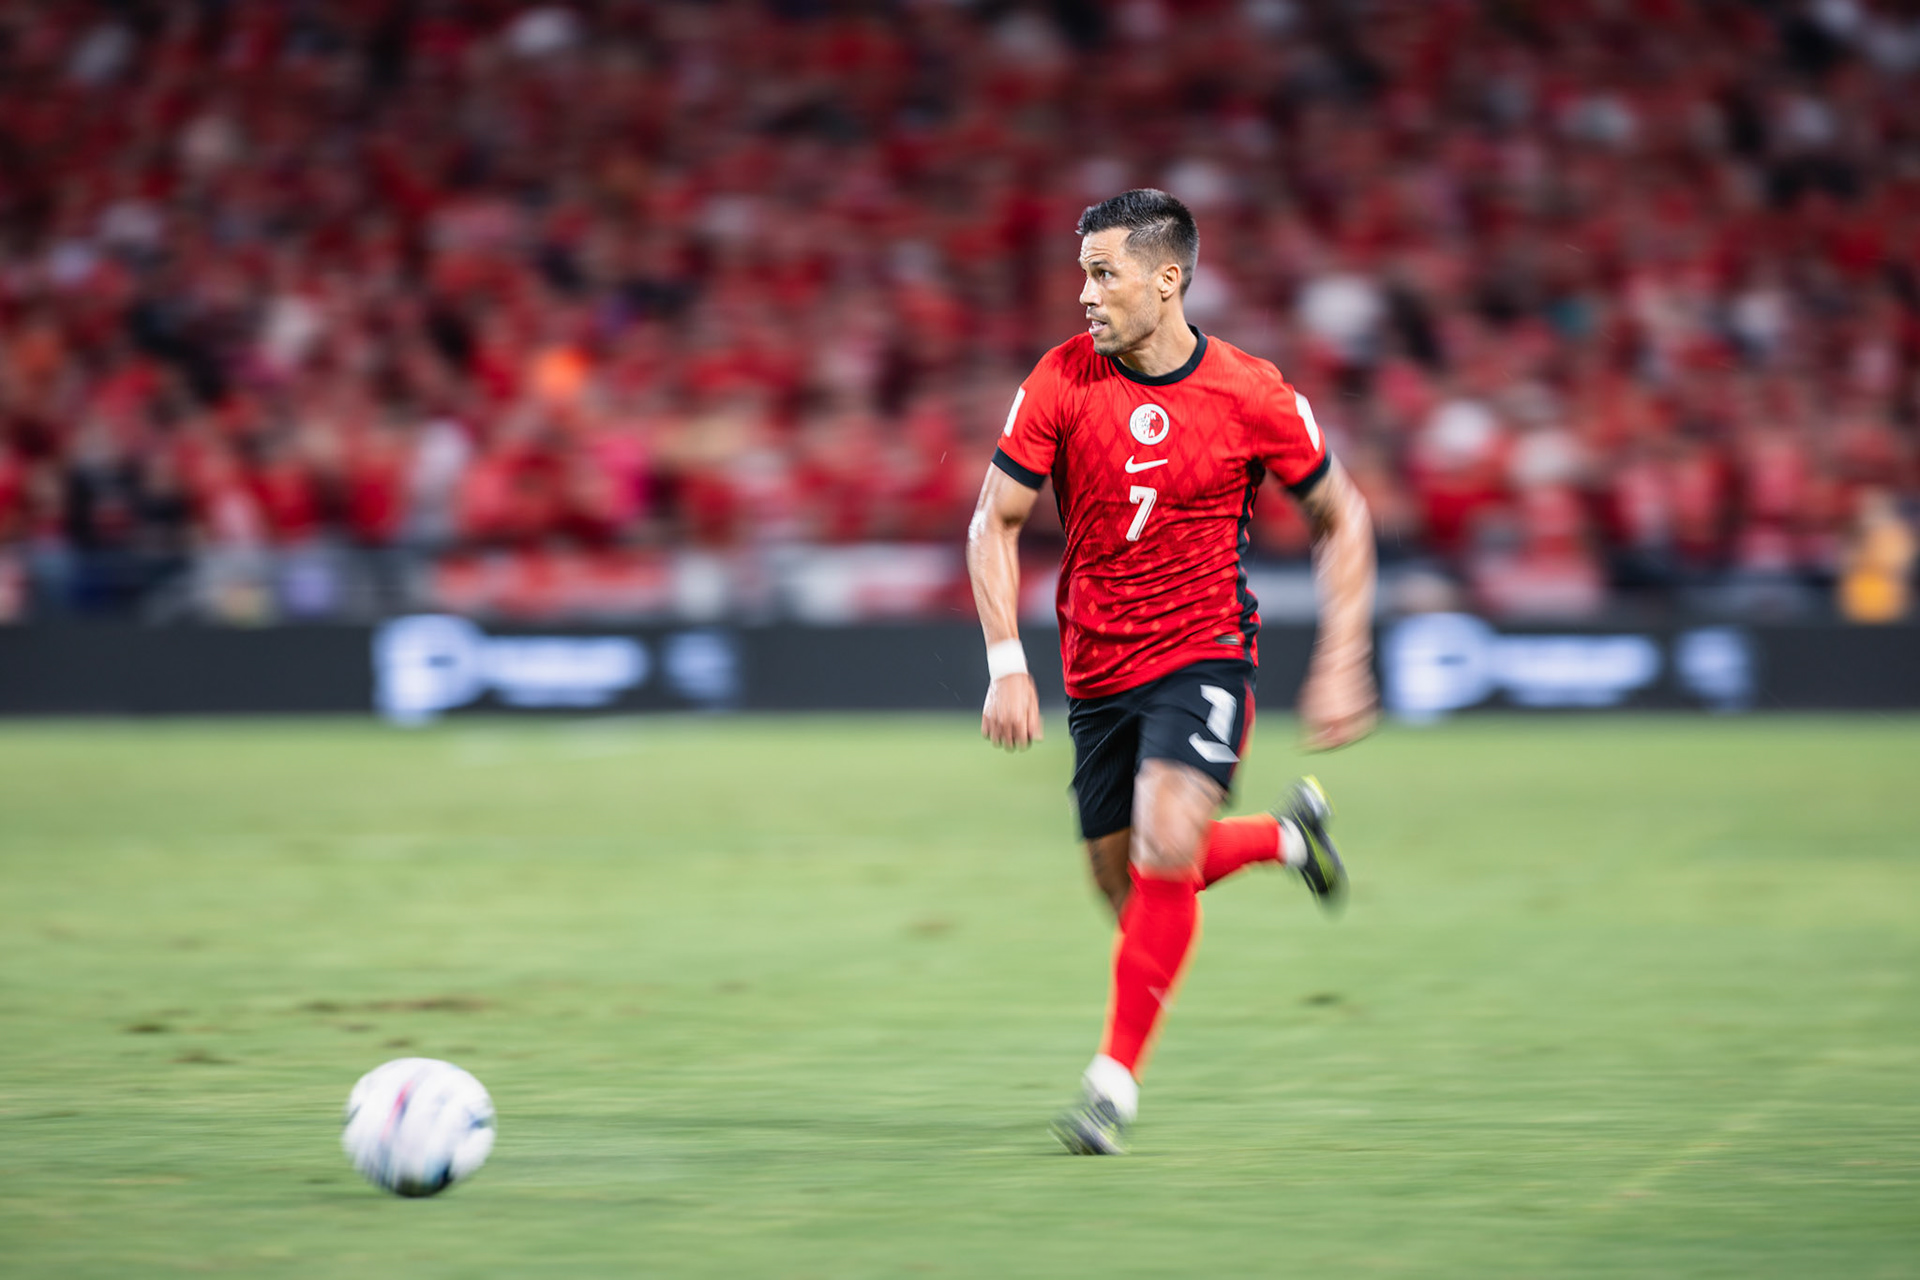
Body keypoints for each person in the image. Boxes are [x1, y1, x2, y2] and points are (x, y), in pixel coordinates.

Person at [964, 189, 1378, 1154]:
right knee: (1133, 886)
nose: (1085, 294)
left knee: (1163, 843)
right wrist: (1004, 662)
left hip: (1204, 651)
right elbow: (995, 520)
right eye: (1082, 274)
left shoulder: (1250, 393)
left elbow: (1342, 515)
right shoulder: (1061, 380)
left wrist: (1345, 657)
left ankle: (1110, 1087)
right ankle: (1284, 838)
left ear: (1167, 279)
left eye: (1102, 274)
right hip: (1095, 670)